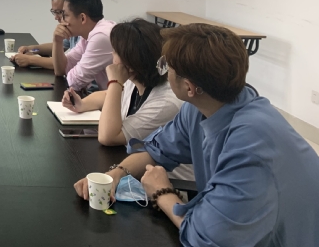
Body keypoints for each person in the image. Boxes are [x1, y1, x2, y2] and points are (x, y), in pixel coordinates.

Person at [74, 24, 319, 247]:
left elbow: (204, 237)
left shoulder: (251, 146)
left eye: (166, 66)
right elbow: (156, 150)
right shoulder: (201, 108)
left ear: (189, 87)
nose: (163, 72)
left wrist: (161, 192)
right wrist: (115, 174)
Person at [62, 19, 184, 147]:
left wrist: (115, 82)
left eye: (115, 51)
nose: (112, 54)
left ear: (130, 62)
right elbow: (106, 95)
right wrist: (82, 104)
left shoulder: (164, 103)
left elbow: (108, 137)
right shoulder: (137, 80)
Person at [52, 0, 115, 92]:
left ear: (82, 18)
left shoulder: (101, 36)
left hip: (124, 101)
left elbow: (74, 81)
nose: (62, 21)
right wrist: (57, 41)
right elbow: (61, 70)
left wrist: (72, 72)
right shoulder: (88, 36)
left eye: (65, 15)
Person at [13, 0, 79, 70]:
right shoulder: (72, 29)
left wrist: (30, 60)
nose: (56, 17)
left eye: (59, 12)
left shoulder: (85, 35)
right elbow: (60, 47)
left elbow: (64, 64)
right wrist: (31, 49)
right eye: (54, 12)